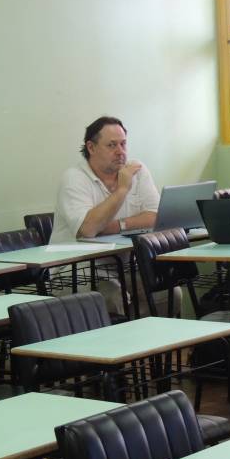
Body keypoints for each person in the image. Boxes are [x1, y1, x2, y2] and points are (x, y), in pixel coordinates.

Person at [51, 116, 173, 315]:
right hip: (77, 268)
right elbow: (88, 229)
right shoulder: (74, 178)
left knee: (169, 294)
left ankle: (142, 334)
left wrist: (114, 226)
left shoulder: (136, 170)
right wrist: (122, 189)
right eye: (112, 145)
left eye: (123, 144)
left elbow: (156, 216)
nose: (120, 151)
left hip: (124, 264)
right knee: (113, 297)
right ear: (91, 147)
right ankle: (125, 333)